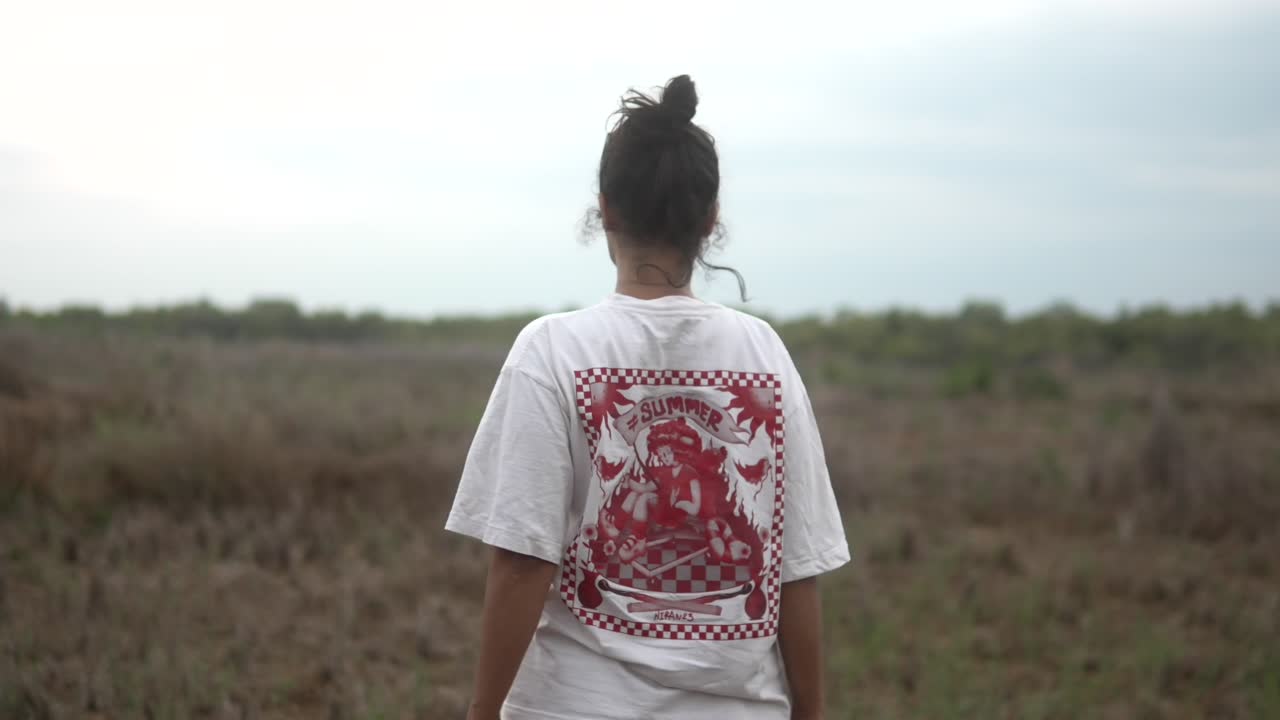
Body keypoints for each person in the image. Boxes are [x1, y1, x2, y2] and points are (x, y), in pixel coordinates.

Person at [446, 74, 849, 720]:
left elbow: (522, 562)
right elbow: (796, 568)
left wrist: (482, 710)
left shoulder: (551, 351)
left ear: (605, 209)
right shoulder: (765, 355)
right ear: (711, 222)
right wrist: (811, 712)